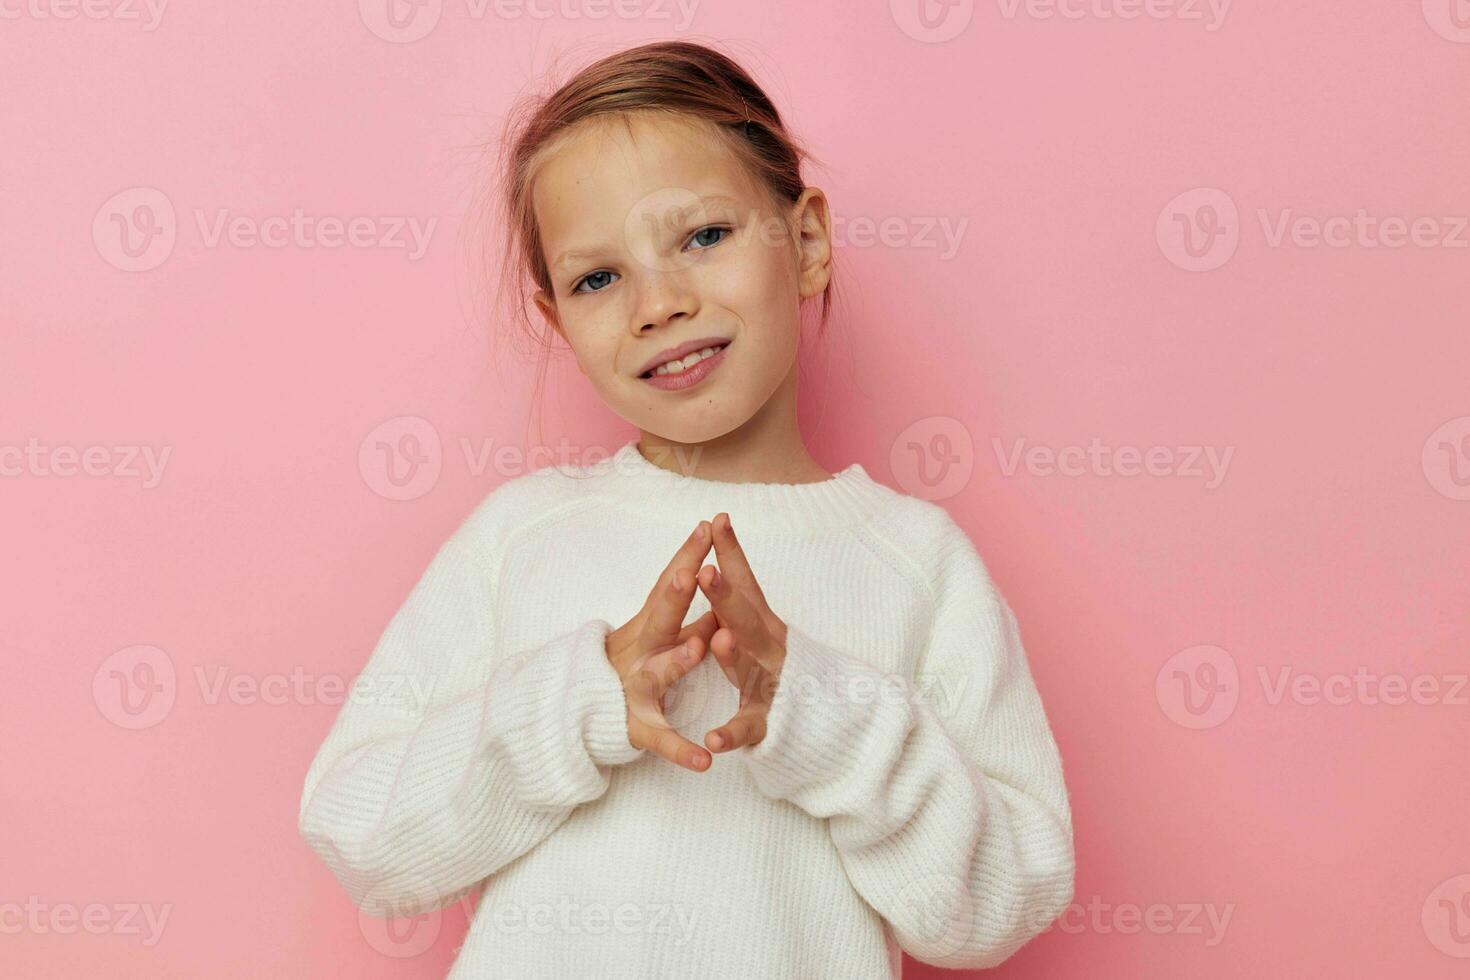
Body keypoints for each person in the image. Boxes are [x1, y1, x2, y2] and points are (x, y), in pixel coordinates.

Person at [297, 39, 1074, 979]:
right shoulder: (522, 537)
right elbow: (358, 837)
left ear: (809, 242)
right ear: (559, 323)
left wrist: (818, 710)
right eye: (597, 278)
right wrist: (583, 700)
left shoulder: (917, 560)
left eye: (703, 237)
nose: (658, 304)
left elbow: (1000, 906)